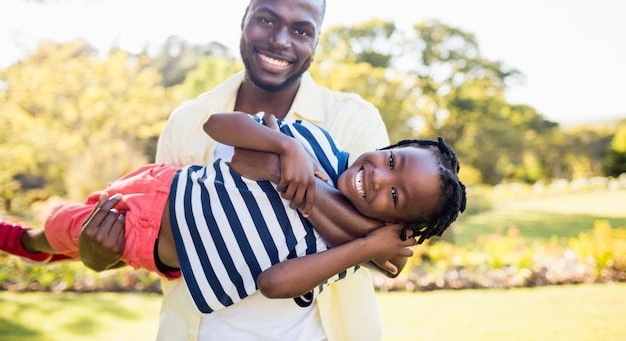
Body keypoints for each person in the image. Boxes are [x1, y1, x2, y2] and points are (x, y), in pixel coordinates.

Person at [76, 0, 395, 341]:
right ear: (244, 18)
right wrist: (101, 256)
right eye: (266, 20)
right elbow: (157, 236)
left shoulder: (353, 120)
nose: (280, 40)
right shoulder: (188, 121)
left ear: (316, 40)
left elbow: (388, 252)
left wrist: (275, 170)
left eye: (301, 30)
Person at [0, 111, 466, 314]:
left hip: (144, 238)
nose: (380, 178)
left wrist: (363, 246)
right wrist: (286, 145)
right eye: (391, 161)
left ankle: (26, 243)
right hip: (164, 185)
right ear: (386, 148)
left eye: (396, 197)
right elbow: (226, 136)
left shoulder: (338, 253)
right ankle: (31, 241)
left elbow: (272, 283)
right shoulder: (319, 145)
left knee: (69, 230)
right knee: (60, 227)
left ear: (397, 225)